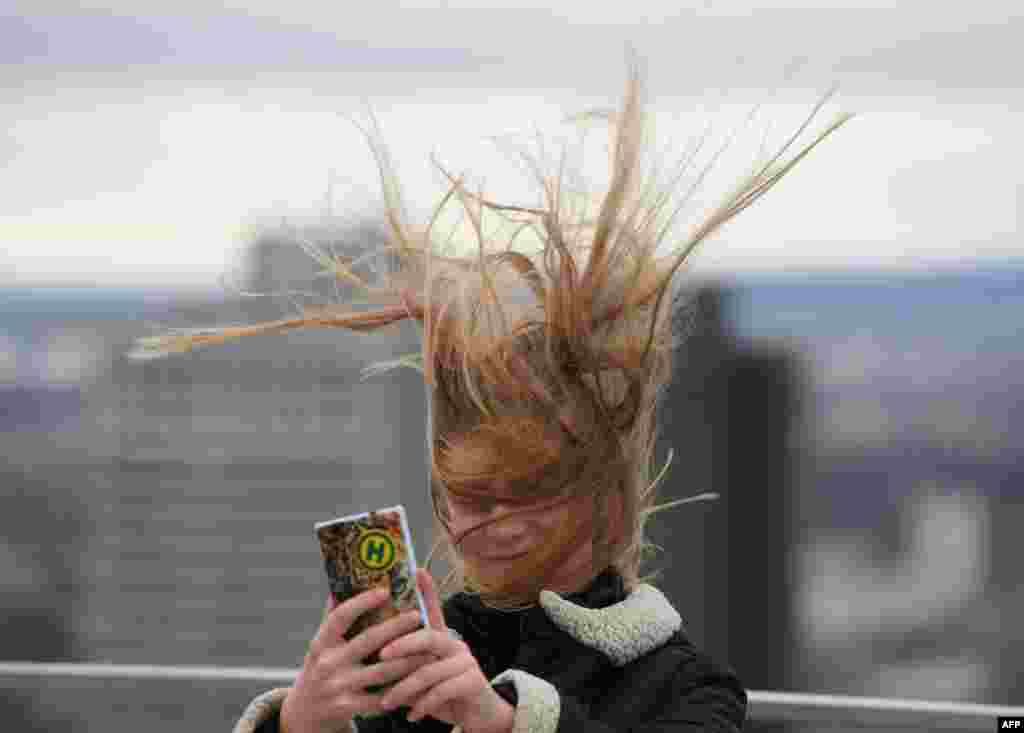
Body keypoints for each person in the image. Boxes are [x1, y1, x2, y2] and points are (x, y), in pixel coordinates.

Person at [130, 47, 854, 733]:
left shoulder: (689, 683)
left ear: (604, 495)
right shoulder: (413, 663)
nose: (501, 521)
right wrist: (304, 721)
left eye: (535, 489)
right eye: (476, 497)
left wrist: (504, 720)